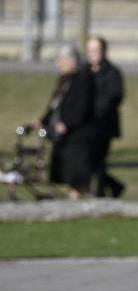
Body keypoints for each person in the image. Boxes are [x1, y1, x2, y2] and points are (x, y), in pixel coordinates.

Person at [40, 44, 97, 199]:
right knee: (69, 176)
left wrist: (67, 123)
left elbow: (82, 106)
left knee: (77, 176)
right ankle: (83, 201)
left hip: (78, 136)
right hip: (64, 136)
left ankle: (81, 203)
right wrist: (43, 121)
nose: (58, 64)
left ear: (72, 61)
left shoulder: (84, 78)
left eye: (60, 60)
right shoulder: (64, 80)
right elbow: (56, 104)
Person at [85, 36, 125, 198]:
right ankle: (115, 186)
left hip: (103, 125)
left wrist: (96, 110)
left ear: (104, 51)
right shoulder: (84, 71)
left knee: (99, 160)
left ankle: (100, 193)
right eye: (90, 50)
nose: (92, 54)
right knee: (88, 160)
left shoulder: (112, 72)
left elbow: (115, 96)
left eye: (96, 50)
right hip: (86, 125)